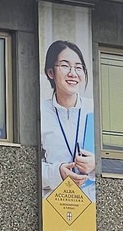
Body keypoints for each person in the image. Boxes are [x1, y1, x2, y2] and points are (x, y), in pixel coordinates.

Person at [39, 39, 95, 196]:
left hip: (90, 201)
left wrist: (96, 165)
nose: (73, 73)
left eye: (78, 67)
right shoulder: (40, 112)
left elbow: (118, 161)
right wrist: (57, 172)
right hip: (53, 201)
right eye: (65, 66)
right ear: (50, 72)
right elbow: (26, 166)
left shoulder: (94, 110)